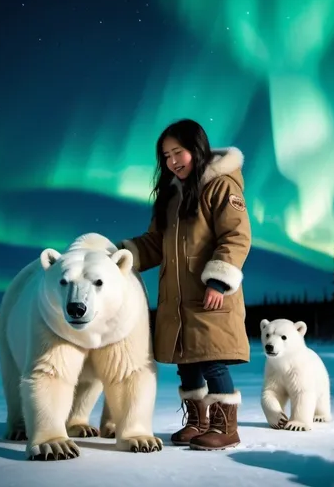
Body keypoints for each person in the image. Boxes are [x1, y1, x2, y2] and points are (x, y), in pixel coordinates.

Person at [117, 118, 251, 451]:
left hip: (210, 296)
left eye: (179, 152)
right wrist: (119, 255)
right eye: (166, 156)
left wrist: (219, 282)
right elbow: (154, 244)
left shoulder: (220, 186)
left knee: (212, 358)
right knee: (187, 361)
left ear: (197, 149)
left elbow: (236, 236)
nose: (173, 161)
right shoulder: (170, 197)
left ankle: (225, 426)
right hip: (177, 300)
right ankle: (198, 421)